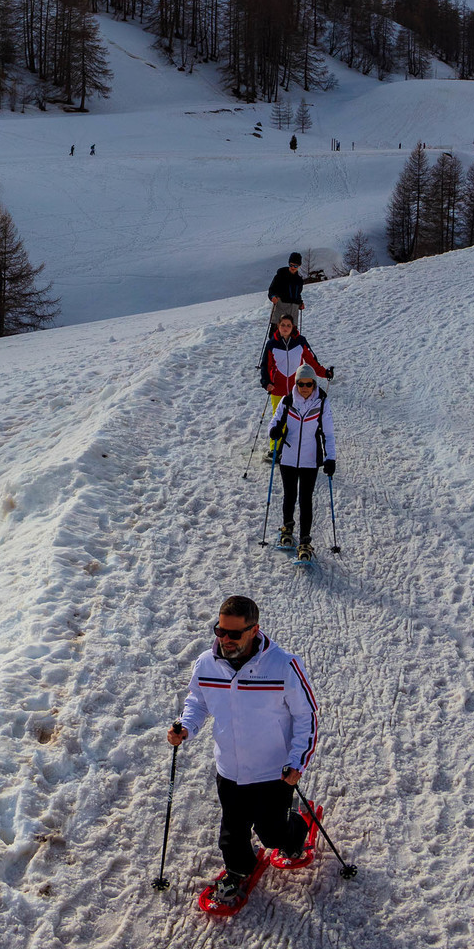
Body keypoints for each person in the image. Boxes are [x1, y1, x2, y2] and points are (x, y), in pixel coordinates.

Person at [168, 595, 318, 908]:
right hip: (230, 769)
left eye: (233, 634)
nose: (224, 639)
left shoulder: (283, 665)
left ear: (254, 630)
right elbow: (198, 702)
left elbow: (307, 716)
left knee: (273, 834)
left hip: (272, 771)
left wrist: (297, 761)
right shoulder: (206, 664)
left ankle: (299, 827)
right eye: (219, 631)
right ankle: (238, 868)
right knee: (232, 830)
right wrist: (186, 727)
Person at [267, 362, 335, 559]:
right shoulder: (288, 401)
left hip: (309, 459)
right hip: (288, 456)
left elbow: (328, 434)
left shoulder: (321, 403)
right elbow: (275, 421)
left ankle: (305, 542)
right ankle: (287, 529)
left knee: (306, 499)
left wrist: (330, 458)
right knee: (289, 495)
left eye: (309, 384)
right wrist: (274, 431)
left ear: (314, 384)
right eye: (301, 384)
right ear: (296, 384)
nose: (305, 388)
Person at [259, 312, 333, 402]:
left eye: (288, 325)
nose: (285, 328)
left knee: (296, 415)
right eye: (283, 325)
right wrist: (266, 383)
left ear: (293, 327)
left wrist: (325, 373)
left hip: (298, 388)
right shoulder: (271, 344)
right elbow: (266, 365)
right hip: (277, 389)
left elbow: (312, 361)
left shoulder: (300, 341)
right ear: (278, 325)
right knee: (278, 415)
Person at [267, 252, 305, 327]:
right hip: (280, 309)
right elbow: (271, 290)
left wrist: (300, 303)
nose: (293, 267)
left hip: (293, 311)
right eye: (291, 265)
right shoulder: (280, 276)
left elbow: (298, 294)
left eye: (295, 266)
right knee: (275, 336)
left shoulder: (299, 280)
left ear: (299, 266)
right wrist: (273, 297)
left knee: (293, 336)